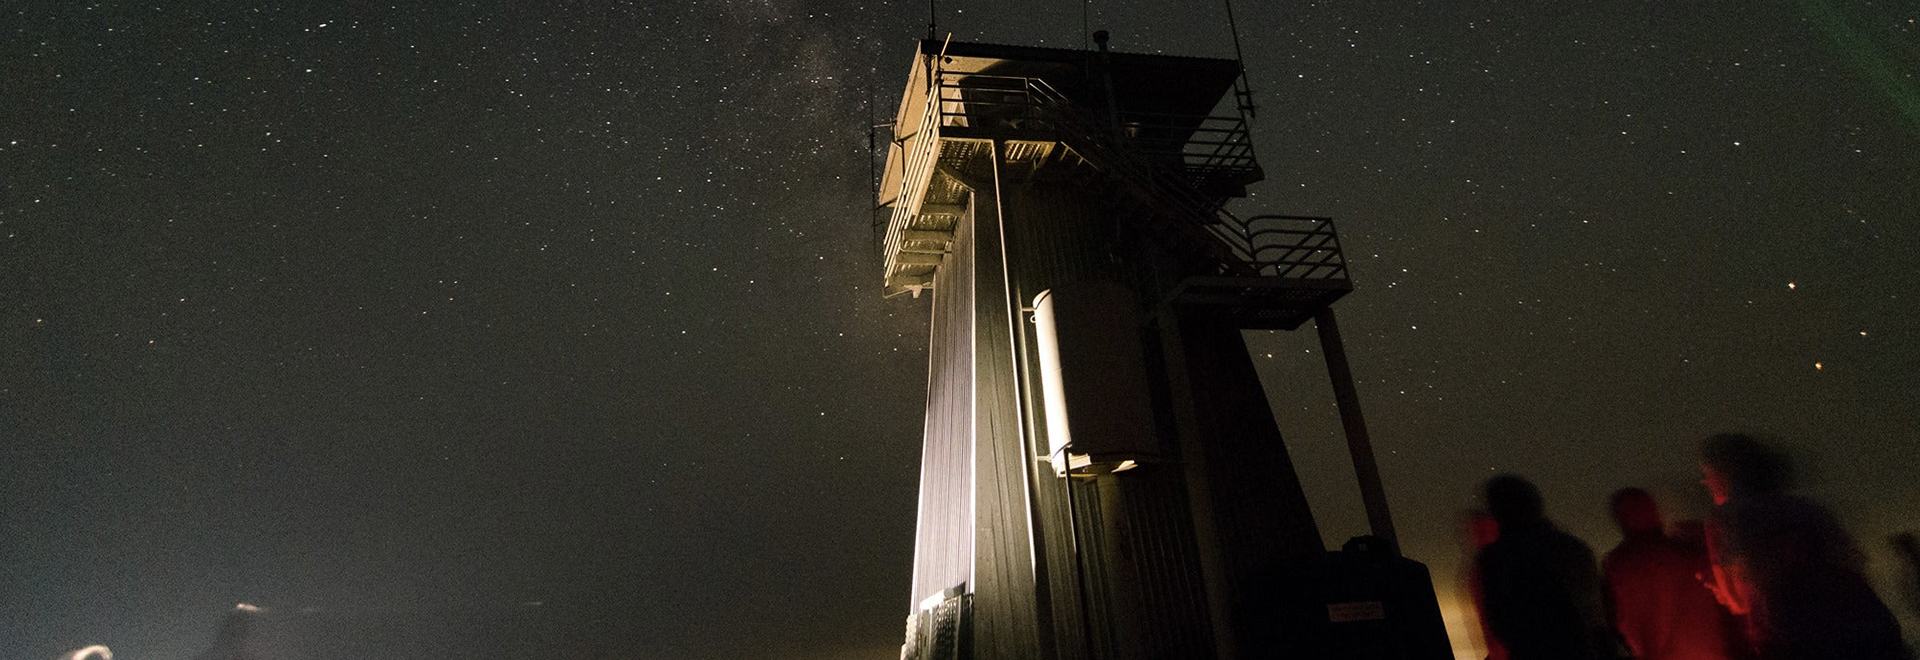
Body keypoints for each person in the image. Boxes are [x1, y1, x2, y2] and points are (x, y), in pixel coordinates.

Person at [1698, 433, 1909, 660]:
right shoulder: (1810, 509)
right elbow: (1852, 561)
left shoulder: (1727, 520)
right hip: (1871, 631)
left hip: (1797, 640)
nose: (1706, 484)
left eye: (1707, 476)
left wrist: (1720, 586)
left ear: (1722, 476)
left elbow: (1739, 599)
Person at [1474, 475, 1618, 660]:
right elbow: (1600, 609)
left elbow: (1500, 622)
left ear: (1497, 511)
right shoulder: (1574, 548)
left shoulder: (1496, 559)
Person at [1602, 487, 1733, 660]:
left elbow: (1619, 622)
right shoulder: (1689, 551)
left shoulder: (1618, 564)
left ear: (1622, 519)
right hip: (1709, 651)